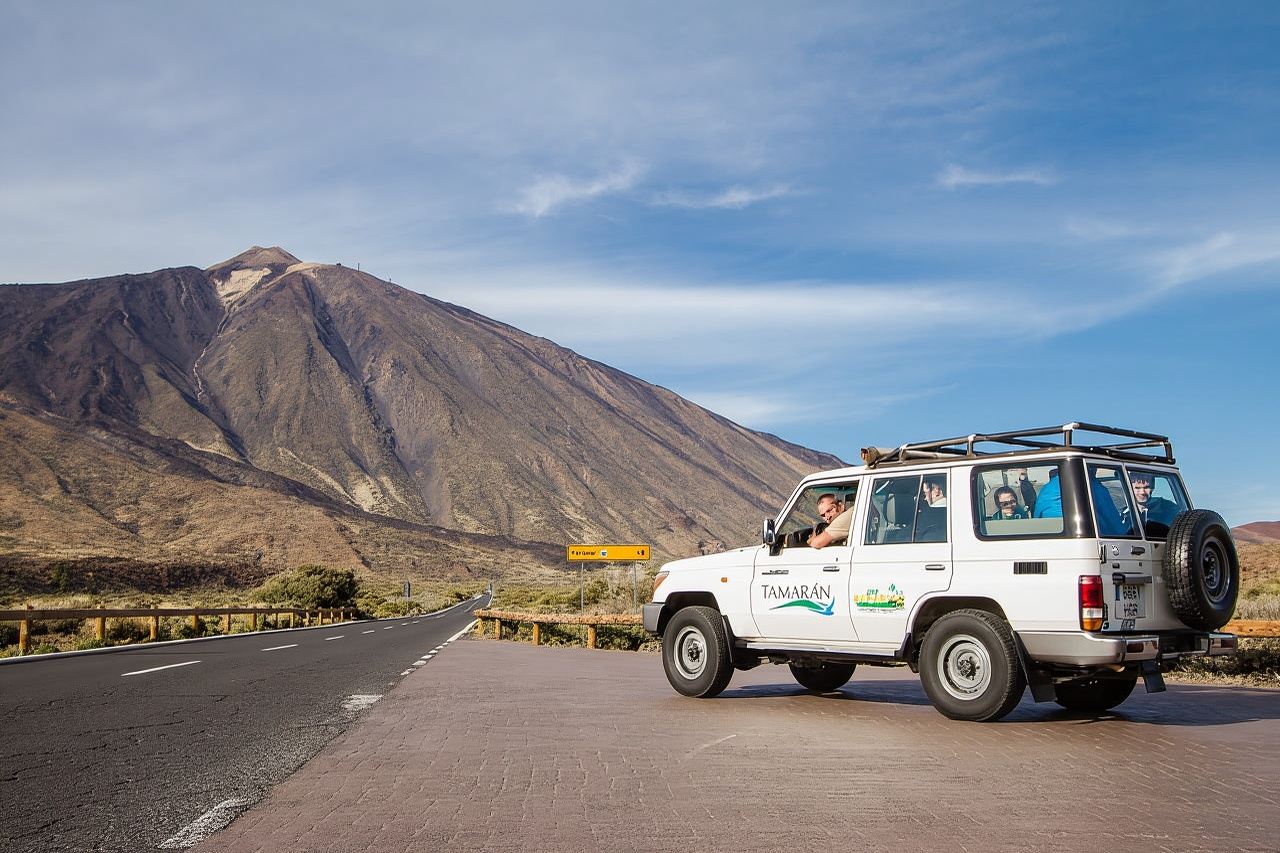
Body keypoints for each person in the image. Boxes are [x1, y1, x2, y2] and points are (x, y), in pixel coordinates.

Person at [915, 476, 947, 542]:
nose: (925, 497)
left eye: (926, 493)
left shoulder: (945, 508)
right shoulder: (921, 514)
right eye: (924, 494)